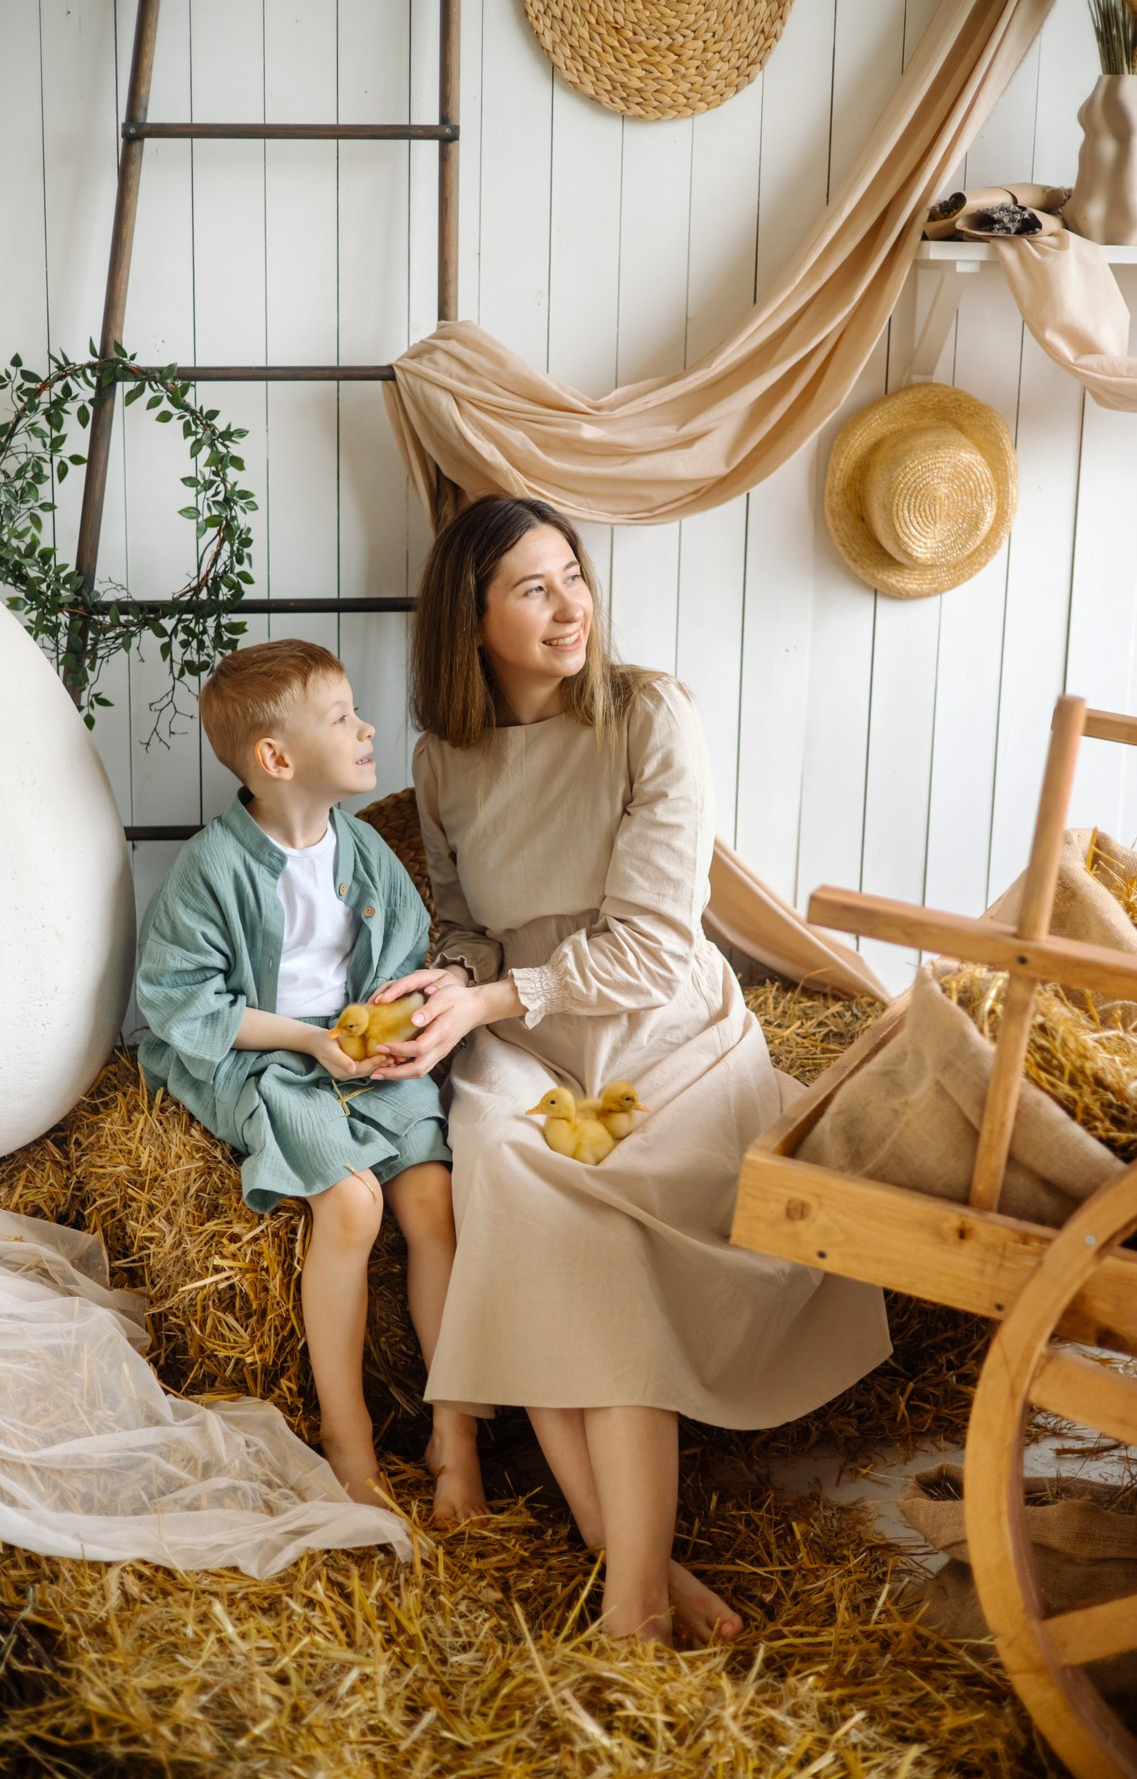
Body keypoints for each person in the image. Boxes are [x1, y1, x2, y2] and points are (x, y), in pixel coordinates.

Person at [368, 496, 892, 1643]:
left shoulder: (651, 713)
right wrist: (440, 989)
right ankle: (642, 1573)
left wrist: (492, 998)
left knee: (589, 1241)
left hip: (664, 1037)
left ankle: (628, 1592)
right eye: (532, 588)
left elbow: (656, 942)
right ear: (470, 621)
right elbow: (463, 925)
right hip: (525, 1047)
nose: (570, 607)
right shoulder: (441, 758)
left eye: (574, 576)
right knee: (532, 1226)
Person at [136, 638, 485, 1522]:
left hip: (358, 1051)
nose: (368, 728)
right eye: (342, 718)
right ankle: (348, 1434)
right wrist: (311, 1040)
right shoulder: (212, 868)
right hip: (268, 1059)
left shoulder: (363, 851)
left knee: (431, 1200)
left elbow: (404, 956)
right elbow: (182, 999)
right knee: (355, 1204)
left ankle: (456, 1430)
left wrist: (392, 1033)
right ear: (277, 759)